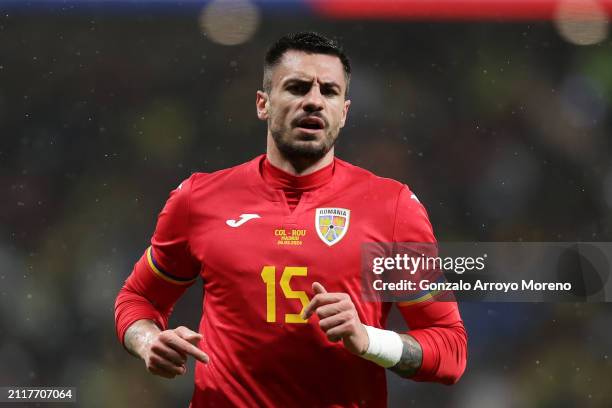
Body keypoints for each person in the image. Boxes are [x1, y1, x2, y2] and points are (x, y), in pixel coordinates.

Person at [114, 31, 467, 407]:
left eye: (329, 92)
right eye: (298, 88)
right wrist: (148, 341)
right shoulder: (198, 199)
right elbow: (138, 298)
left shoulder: (391, 207)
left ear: (344, 113)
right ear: (262, 104)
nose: (314, 101)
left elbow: (450, 350)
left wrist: (368, 339)